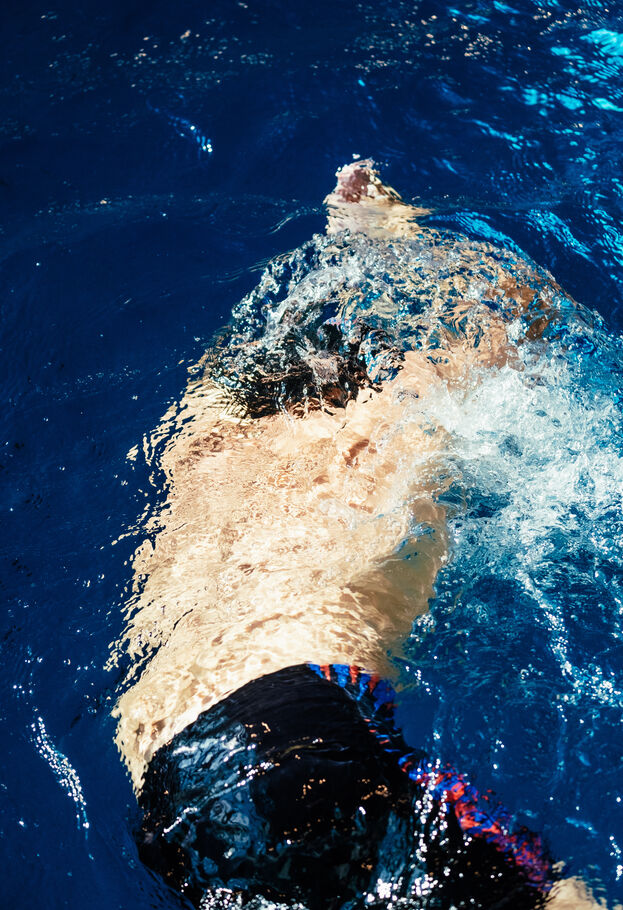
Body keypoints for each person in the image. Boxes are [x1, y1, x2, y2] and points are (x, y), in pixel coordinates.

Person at [111, 161, 600, 909]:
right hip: (291, 728)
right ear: (351, 390)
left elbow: (226, 376)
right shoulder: (366, 443)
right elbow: (504, 319)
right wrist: (394, 236)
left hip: (164, 782)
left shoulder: (197, 456)